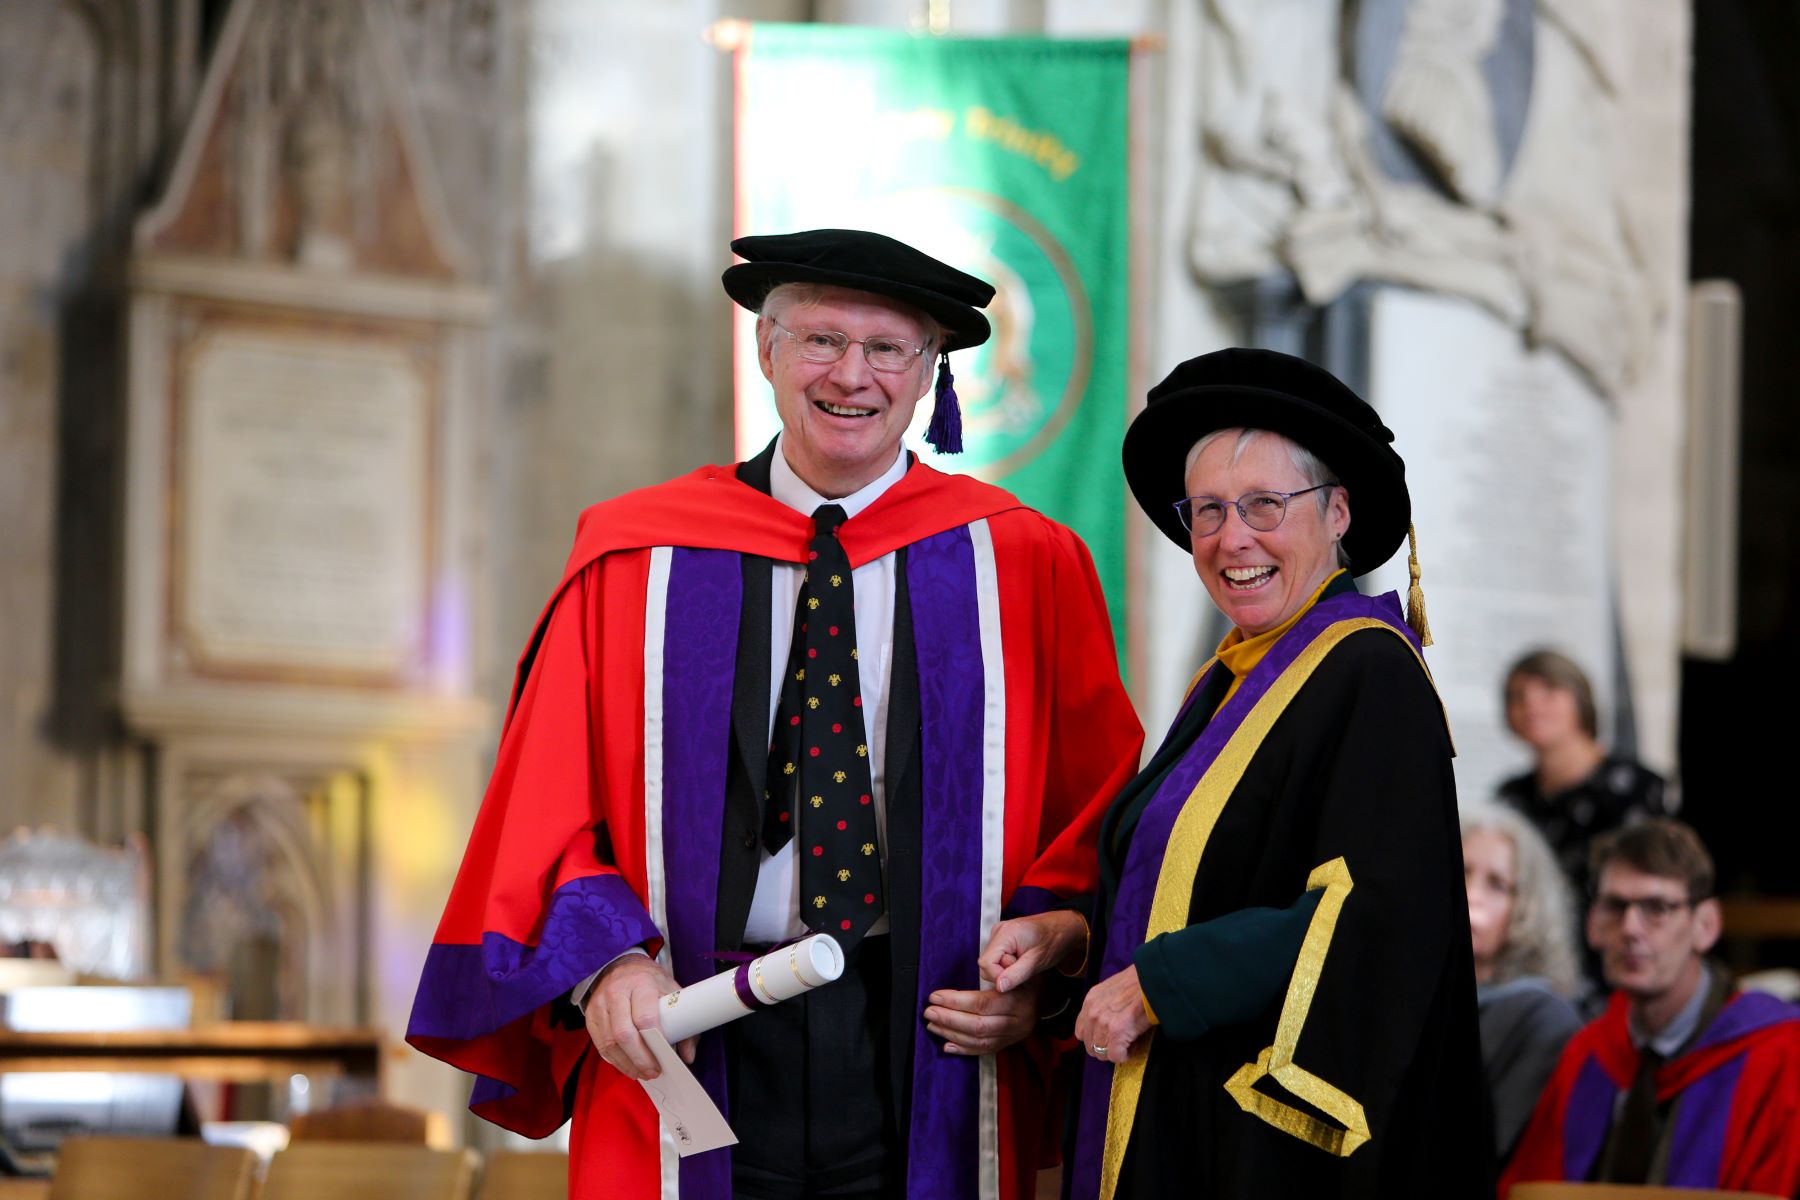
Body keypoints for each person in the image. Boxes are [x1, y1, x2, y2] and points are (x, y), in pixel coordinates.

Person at [405, 229, 1145, 1200]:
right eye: (821, 340)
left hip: (923, 1030)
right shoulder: (635, 558)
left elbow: (1096, 808)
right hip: (690, 1017)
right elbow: (545, 801)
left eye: (888, 349)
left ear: (931, 374)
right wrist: (606, 965)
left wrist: (1049, 958)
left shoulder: (1025, 564)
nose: (853, 375)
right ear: (765, 348)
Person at [977, 349, 1493, 1198]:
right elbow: (1198, 884)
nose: (1231, 538)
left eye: (1263, 504)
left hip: (1261, 1144)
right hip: (1174, 1103)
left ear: (1337, 513)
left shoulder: (1370, 670)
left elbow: (1374, 914)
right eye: (1208, 511)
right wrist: (1072, 937)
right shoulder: (1234, 677)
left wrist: (1161, 982)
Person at [1503, 819, 1800, 1194]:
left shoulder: (1780, 1055)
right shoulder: (1588, 1055)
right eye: (1615, 906)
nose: (1630, 928)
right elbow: (1531, 1190)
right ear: (1592, 924)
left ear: (1705, 926)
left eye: (1656, 907)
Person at [1460, 800, 1584, 1165]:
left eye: (1496, 884)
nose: (1471, 896)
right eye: (1461, 873)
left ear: (1527, 907)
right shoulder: (1407, 997)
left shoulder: (1542, 1019)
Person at [1498, 649, 1669, 905]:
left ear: (1580, 699)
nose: (1531, 704)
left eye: (1549, 690)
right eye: (1517, 696)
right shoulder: (1512, 797)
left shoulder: (1638, 787)